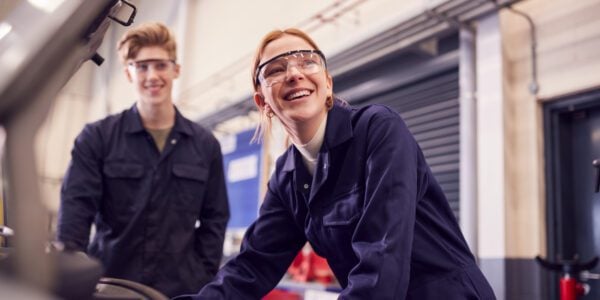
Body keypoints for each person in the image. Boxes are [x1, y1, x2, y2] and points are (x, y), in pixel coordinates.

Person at [177, 28, 495, 299]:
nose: (294, 73)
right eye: (275, 69)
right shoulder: (287, 177)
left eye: (307, 61)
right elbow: (253, 265)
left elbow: (384, 251)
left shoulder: (378, 129)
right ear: (263, 101)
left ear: (327, 84)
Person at [56, 22, 230, 298]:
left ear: (176, 69)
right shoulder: (97, 138)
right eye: (142, 66)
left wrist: (202, 273)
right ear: (128, 73)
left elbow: (215, 218)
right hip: (108, 287)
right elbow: (75, 213)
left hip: (179, 292)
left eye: (161, 65)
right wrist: (71, 275)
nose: (152, 75)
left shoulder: (205, 145)